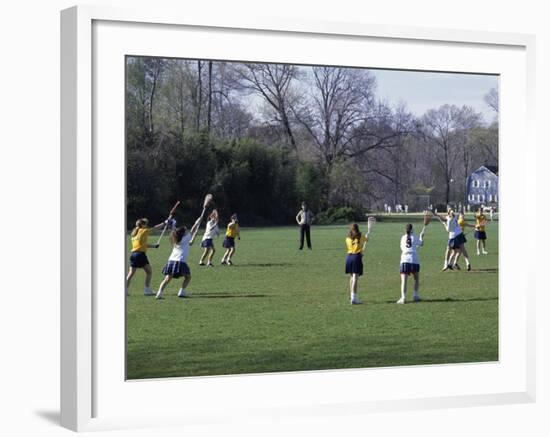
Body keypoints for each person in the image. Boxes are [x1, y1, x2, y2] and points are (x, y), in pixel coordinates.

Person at [155, 210, 205, 299]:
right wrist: (198, 221)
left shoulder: (175, 238)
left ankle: (159, 293)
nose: (187, 231)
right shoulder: (185, 238)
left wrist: (194, 233)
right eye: (185, 231)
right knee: (188, 277)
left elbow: (184, 235)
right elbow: (193, 228)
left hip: (171, 260)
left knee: (167, 278)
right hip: (180, 261)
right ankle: (182, 291)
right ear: (183, 233)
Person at [126, 217, 170, 296]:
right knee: (149, 272)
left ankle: (125, 290)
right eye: (145, 224)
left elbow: (142, 245)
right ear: (142, 225)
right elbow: (155, 228)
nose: (146, 226)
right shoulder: (144, 231)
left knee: (131, 273)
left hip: (133, 255)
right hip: (140, 255)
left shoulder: (134, 233)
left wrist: (153, 246)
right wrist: (164, 223)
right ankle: (147, 290)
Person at [397, 223, 425, 304]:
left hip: (405, 259)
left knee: (404, 281)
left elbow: (403, 248)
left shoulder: (403, 237)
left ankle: (403, 298)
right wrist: (421, 236)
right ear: (412, 229)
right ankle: (415, 295)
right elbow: (421, 243)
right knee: (416, 279)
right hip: (414, 259)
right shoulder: (415, 236)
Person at [345, 223, 368, 305]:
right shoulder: (361, 236)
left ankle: (352, 296)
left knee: (351, 277)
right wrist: (366, 236)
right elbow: (365, 241)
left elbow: (357, 246)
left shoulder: (347, 238)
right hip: (356, 257)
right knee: (355, 278)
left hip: (348, 257)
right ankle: (354, 298)